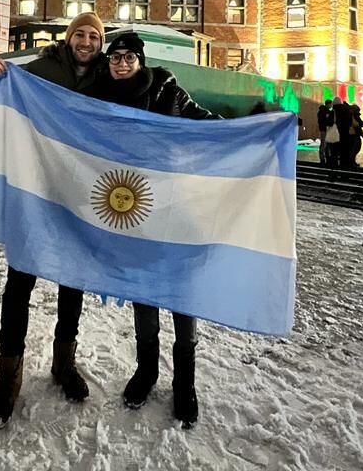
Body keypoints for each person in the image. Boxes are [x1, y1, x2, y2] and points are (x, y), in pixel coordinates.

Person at [0, 12, 107, 428]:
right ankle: (8, 377)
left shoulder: (105, 74)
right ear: (69, 38)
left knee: (72, 280)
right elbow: (4, 84)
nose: (86, 41)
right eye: (80, 34)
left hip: (79, 192)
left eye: (94, 36)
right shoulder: (46, 66)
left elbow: (138, 97)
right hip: (35, 190)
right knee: (20, 280)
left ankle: (63, 362)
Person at [89, 32, 216, 428]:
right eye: (116, 57)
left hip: (174, 205)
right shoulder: (100, 98)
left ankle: (185, 383)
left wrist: (255, 128)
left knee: (181, 292)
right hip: (133, 210)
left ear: (141, 61)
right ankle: (146, 371)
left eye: (130, 57)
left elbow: (204, 124)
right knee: (144, 291)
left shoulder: (167, 92)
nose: (122, 63)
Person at [316, 99, 334, 164]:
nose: (331, 105)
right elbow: (325, 121)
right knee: (324, 143)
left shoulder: (321, 111)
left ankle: (324, 157)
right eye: (331, 104)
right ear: (328, 104)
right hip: (324, 129)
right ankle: (323, 157)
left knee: (324, 143)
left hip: (323, 129)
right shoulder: (325, 112)